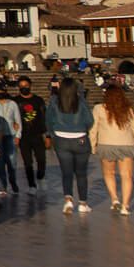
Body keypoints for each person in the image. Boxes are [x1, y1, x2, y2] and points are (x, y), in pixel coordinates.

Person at [90, 84, 134, 215]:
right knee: (127, 176)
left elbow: (93, 129)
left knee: (109, 173)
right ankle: (125, 206)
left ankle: (114, 199)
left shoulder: (99, 108)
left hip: (106, 145)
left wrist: (92, 145)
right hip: (127, 144)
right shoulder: (127, 109)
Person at [47, 76, 95, 215]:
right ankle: (83, 203)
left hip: (61, 139)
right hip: (80, 138)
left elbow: (49, 119)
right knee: (81, 173)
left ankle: (68, 200)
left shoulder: (54, 101)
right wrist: (83, 129)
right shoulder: (80, 101)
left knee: (66, 173)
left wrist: (52, 133)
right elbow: (90, 120)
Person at [14, 75, 47, 193]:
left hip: (37, 134)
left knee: (41, 159)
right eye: (21, 86)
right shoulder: (15, 101)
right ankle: (31, 185)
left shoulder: (38, 100)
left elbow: (44, 117)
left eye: (26, 86)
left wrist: (47, 135)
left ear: (30, 86)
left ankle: (41, 176)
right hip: (23, 136)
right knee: (27, 162)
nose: (24, 88)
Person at [0, 87, 21, 194]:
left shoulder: (12, 104)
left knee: (11, 161)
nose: (0, 93)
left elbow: (18, 120)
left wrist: (18, 135)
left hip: (10, 135)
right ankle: (3, 185)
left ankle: (13, 182)